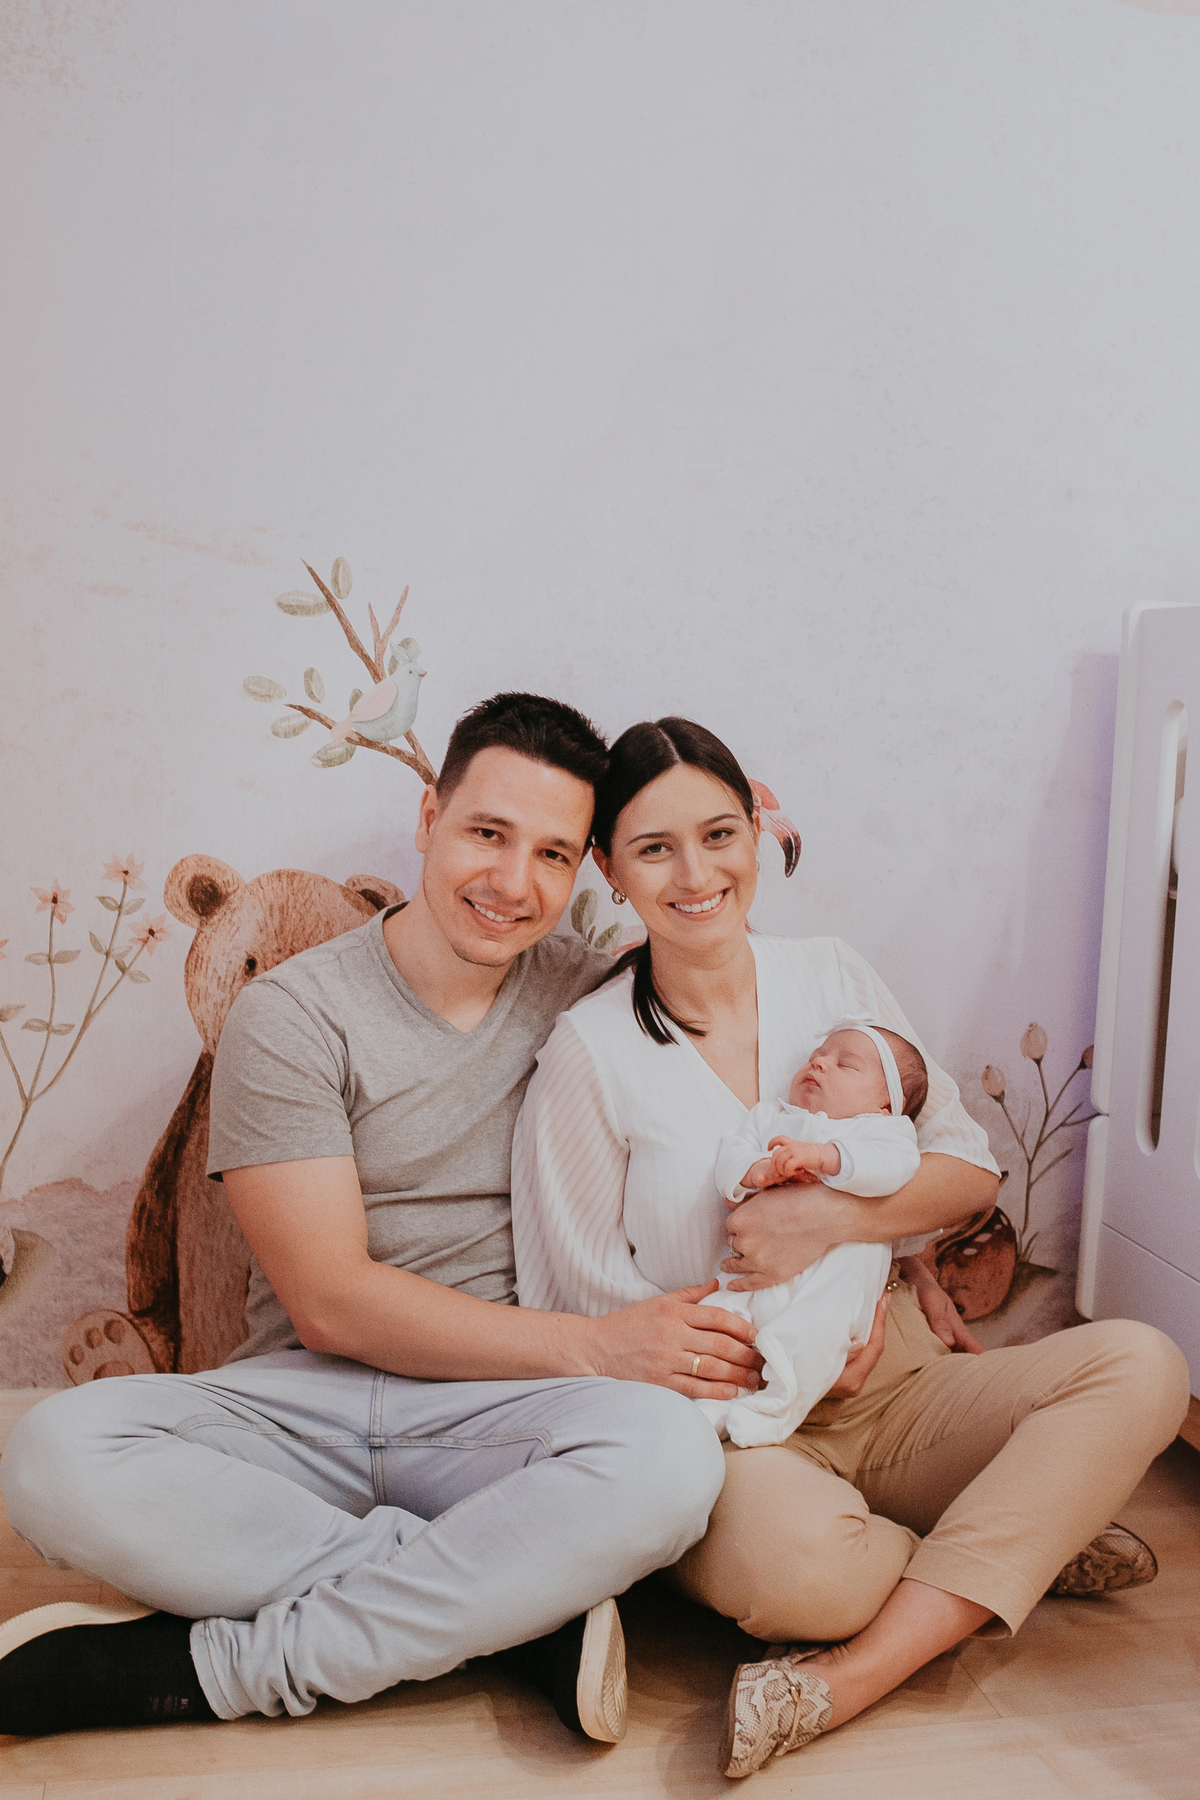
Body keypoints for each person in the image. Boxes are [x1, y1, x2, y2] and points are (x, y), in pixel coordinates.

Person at [0, 693, 771, 1743]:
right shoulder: (294, 1013)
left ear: (589, 870)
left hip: (500, 1410)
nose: (513, 883)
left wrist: (872, 1260)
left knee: (671, 1463)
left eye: (553, 854)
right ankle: (510, 1612)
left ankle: (226, 1668)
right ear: (427, 817)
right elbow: (331, 1304)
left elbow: (781, 1079)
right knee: (49, 1456)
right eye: (488, 834)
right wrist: (598, 1345)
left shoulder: (601, 1001)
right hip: (302, 1404)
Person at [511, 715, 1190, 1779]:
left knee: (1143, 1366)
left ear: (757, 825)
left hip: (901, 1379)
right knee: (811, 1585)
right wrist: (754, 1347)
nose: (697, 873)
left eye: (720, 833)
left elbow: (967, 1170)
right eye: (654, 849)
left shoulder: (832, 976)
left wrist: (836, 1223)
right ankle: (1020, 1538)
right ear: (610, 868)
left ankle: (849, 1678)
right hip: (737, 1425)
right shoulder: (592, 1053)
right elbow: (572, 1290)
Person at [697, 1023, 927, 1446]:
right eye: (817, 1055)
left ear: (885, 1104)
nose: (819, 1062)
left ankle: (778, 1405)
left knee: (813, 1333)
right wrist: (756, 1170)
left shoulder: (884, 1133)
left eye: (846, 1064)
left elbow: (895, 1167)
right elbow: (733, 1152)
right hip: (757, 1274)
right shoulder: (772, 1116)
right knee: (721, 1316)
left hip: (834, 1279)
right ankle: (707, 1410)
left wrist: (825, 1157)